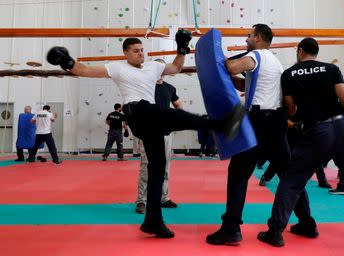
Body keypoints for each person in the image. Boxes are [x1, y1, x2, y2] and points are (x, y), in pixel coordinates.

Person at [46, 30, 245, 239]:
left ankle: (153, 221)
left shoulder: (153, 67)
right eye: (135, 51)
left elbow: (176, 67)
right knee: (173, 115)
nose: (141, 53)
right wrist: (66, 61)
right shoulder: (117, 68)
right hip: (138, 112)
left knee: (158, 168)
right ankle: (220, 125)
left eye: (142, 50)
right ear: (126, 53)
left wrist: (182, 49)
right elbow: (84, 70)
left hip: (150, 119)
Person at [257, 38, 344, 252]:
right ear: (316, 52)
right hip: (343, 129)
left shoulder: (289, 74)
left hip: (316, 132)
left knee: (291, 181)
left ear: (300, 51)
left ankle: (275, 232)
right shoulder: (331, 69)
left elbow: (291, 109)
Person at [206, 24, 291, 245]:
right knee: (289, 175)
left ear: (259, 37)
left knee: (238, 174)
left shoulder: (256, 54)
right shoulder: (274, 61)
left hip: (259, 121)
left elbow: (233, 67)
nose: (246, 39)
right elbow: (245, 82)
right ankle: (307, 222)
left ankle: (231, 228)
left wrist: (220, 59)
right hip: (276, 121)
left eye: (249, 35)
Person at [135, 59, 182, 214]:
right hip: (149, 133)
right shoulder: (143, 87)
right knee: (146, 167)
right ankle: (142, 201)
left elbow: (178, 106)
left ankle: (164, 198)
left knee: (165, 167)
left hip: (166, 133)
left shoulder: (170, 88)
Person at [259, 118, 332, 189]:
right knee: (282, 157)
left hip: (308, 129)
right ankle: (266, 176)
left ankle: (322, 180)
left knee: (315, 154)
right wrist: (295, 125)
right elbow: (284, 119)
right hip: (292, 131)